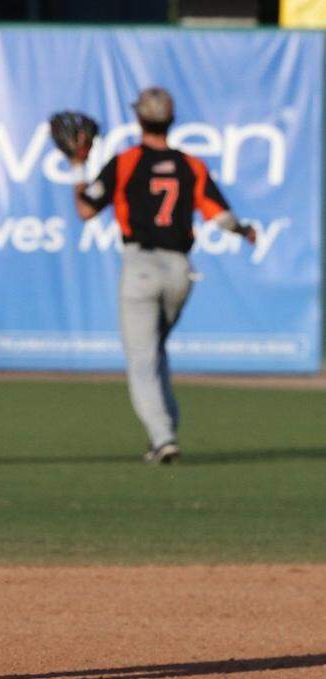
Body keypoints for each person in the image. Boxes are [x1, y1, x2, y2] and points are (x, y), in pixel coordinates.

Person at [72, 87, 256, 464]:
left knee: (141, 359)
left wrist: (78, 165)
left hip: (140, 266)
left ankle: (162, 438)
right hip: (179, 271)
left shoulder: (126, 162)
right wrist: (244, 231)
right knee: (154, 351)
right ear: (171, 121)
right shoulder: (191, 165)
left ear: (139, 119)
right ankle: (166, 427)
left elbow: (87, 209)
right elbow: (221, 217)